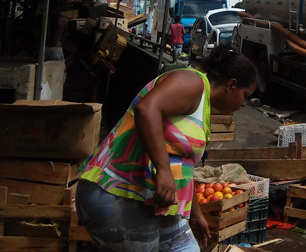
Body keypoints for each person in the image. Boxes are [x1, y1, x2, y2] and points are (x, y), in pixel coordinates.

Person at [75, 44, 258, 251]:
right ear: (231, 85)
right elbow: (147, 108)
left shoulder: (203, 105)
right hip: (117, 193)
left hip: (154, 202)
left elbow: (182, 165)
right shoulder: (192, 82)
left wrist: (195, 213)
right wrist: (162, 169)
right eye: (245, 95)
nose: (244, 104)